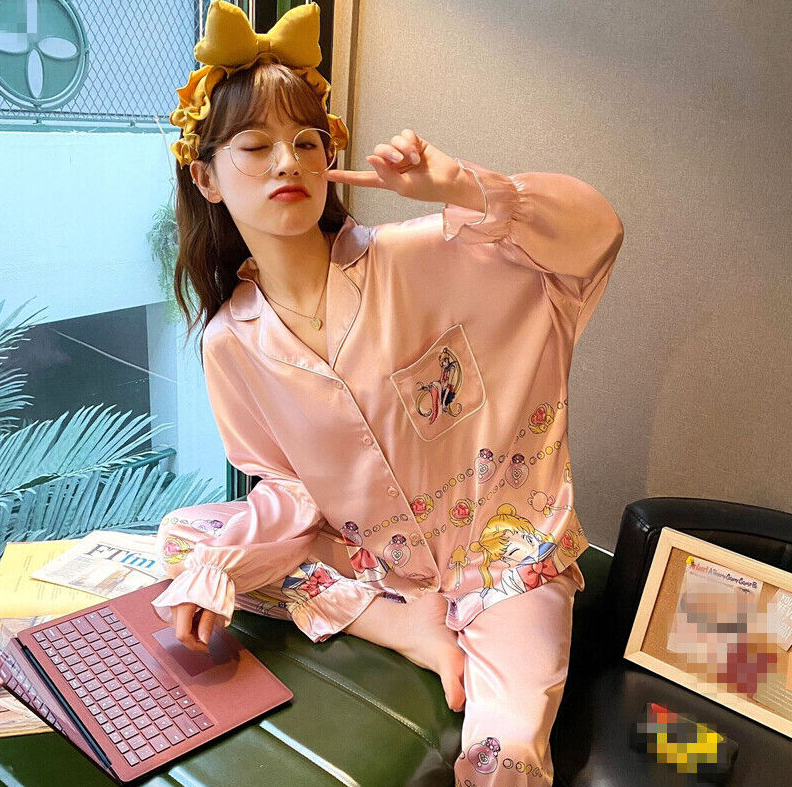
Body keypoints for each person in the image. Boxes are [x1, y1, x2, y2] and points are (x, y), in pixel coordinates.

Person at [152, 3, 625, 785]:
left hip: (503, 560)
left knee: (502, 757)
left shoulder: (418, 256)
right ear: (205, 177)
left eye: (307, 142)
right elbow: (287, 489)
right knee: (184, 542)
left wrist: (461, 186)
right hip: (372, 563)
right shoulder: (231, 339)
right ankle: (406, 631)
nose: (287, 162)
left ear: (329, 160)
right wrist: (225, 564)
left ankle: (428, 633)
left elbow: (594, 235)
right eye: (256, 146)